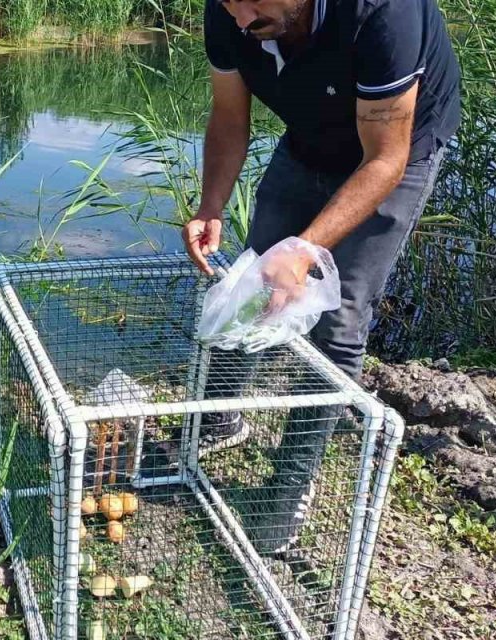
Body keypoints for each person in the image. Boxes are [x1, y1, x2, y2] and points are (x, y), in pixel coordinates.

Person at [186, 0, 461, 556]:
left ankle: (288, 493)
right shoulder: (230, 12)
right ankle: (218, 423)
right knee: (252, 280)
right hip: (308, 135)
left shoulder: (383, 11)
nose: (240, 19)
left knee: (339, 318)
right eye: (229, 5)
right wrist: (211, 203)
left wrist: (307, 251)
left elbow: (384, 159)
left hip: (394, 152)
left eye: (253, 2)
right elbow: (229, 117)